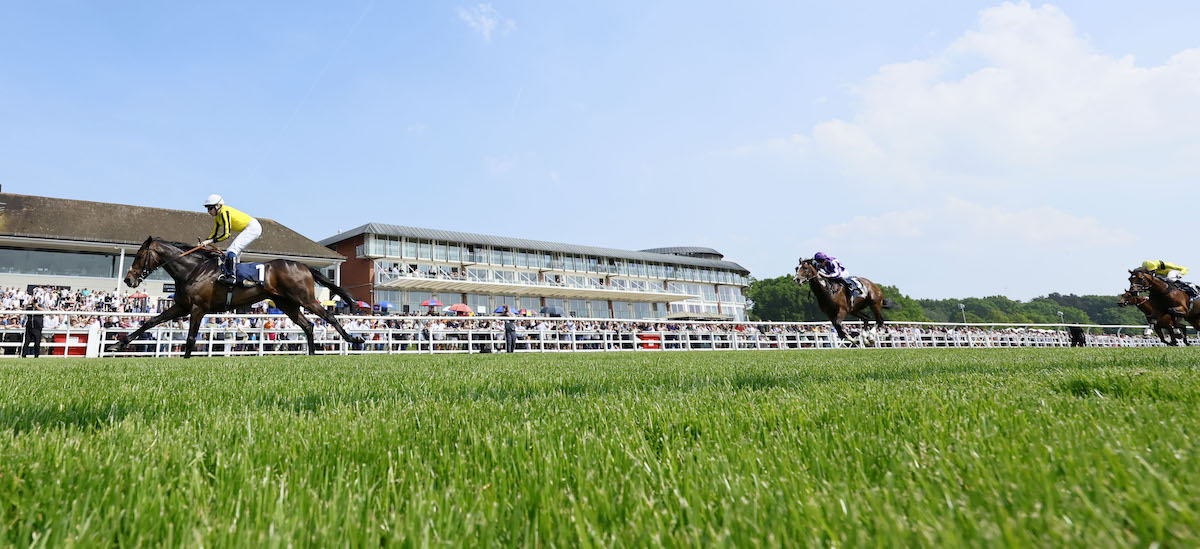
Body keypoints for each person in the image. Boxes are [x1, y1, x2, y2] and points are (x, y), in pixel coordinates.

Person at [199, 194, 261, 285]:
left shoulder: (225, 212)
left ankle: (231, 276)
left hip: (253, 227)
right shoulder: (217, 218)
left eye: (210, 208)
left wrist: (209, 241)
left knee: (231, 250)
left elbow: (226, 234)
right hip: (248, 228)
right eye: (207, 209)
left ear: (218, 206)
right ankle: (240, 278)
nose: (208, 211)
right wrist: (203, 242)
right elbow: (214, 234)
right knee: (235, 253)